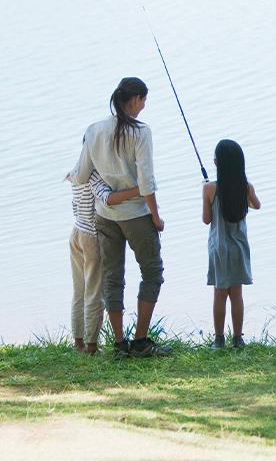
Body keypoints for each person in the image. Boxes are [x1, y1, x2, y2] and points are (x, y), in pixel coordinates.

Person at [71, 77, 170, 358]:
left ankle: (118, 343)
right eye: (144, 100)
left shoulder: (94, 130)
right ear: (135, 100)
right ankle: (140, 340)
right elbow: (146, 181)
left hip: (105, 216)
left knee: (113, 277)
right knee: (152, 272)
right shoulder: (141, 132)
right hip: (136, 215)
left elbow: (80, 175)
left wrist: (106, 185)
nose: (144, 106)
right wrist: (157, 216)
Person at [66, 167, 140, 354]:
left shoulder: (76, 172)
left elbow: (75, 205)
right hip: (90, 235)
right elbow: (106, 197)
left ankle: (78, 342)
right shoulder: (95, 174)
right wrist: (139, 190)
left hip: (76, 231)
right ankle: (91, 345)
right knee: (94, 291)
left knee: (79, 291)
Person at [202, 139, 261, 349]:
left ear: (217, 163)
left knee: (220, 294)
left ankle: (219, 340)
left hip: (219, 248)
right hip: (239, 247)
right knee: (237, 294)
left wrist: (207, 197)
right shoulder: (245, 186)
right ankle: (238, 339)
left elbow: (206, 219)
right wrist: (246, 194)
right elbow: (257, 205)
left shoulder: (209, 189)